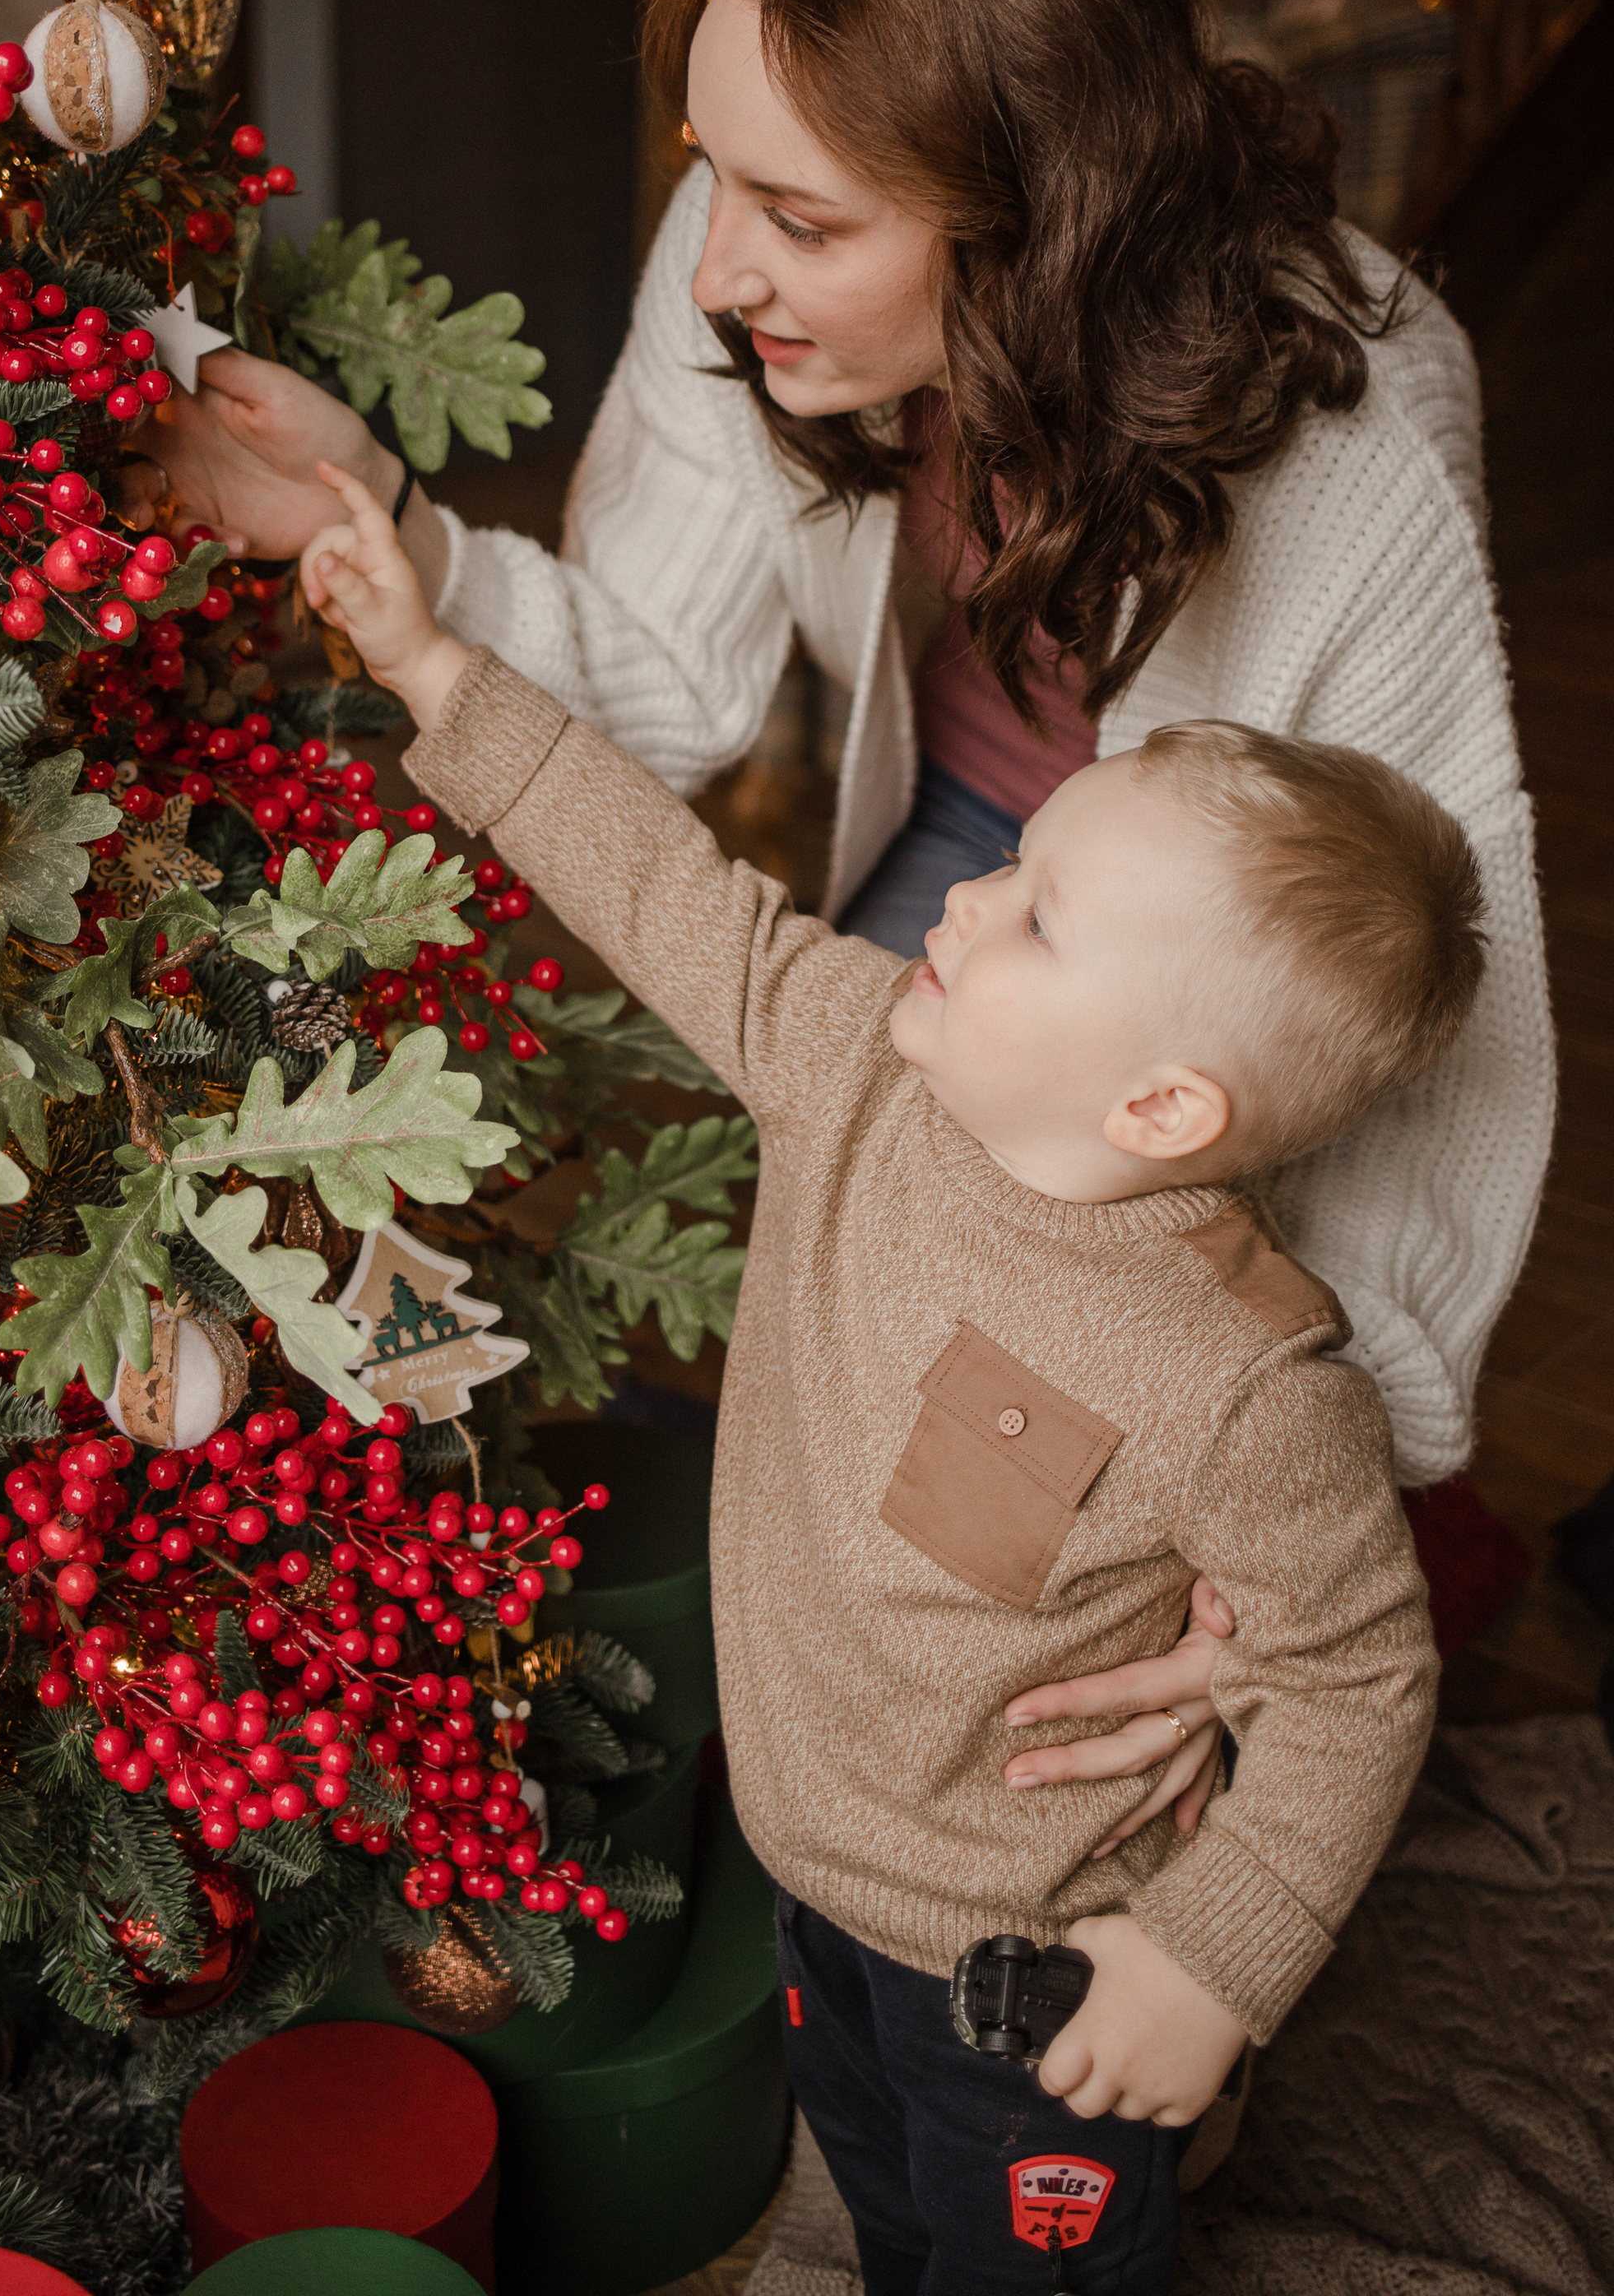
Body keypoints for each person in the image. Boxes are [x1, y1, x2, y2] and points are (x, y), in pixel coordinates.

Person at [133, 0, 1552, 1844]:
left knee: (1116, 1440)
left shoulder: (1357, 436)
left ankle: (1056, 1894)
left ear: (1024, 226)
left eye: (795, 217)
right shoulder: (751, 264)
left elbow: (1407, 1018)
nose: (715, 266)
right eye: (707, 171)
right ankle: (853, 1781)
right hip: (984, 844)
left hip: (1179, 930)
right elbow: (651, 678)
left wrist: (1287, 1539)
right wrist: (392, 523)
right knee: (873, 1332)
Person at [295, 459, 1466, 2296]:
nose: (965, 895)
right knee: (865, 2184)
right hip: (810, 1873)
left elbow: (1356, 1675)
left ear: (1161, 1108)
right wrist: (436, 669)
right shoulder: (856, 1064)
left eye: (1037, 915)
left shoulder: (1241, 1380)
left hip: (1029, 1974)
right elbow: (669, 893)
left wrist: (1208, 1961)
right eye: (1014, 858)